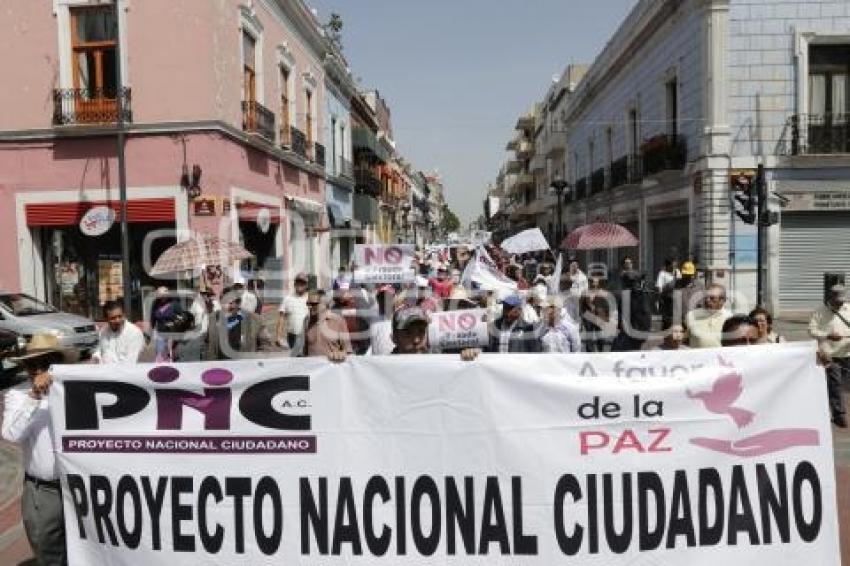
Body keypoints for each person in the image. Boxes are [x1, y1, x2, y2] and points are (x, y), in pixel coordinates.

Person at [2, 334, 67, 566]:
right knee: (49, 554)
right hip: (44, 491)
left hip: (78, 487)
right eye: (32, 363)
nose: (38, 369)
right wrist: (35, 396)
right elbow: (10, 435)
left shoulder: (71, 388)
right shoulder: (18, 395)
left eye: (46, 362)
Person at [809, 284, 850, 428]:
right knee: (835, 384)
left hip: (847, 352)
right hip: (830, 354)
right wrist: (827, 335)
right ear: (830, 298)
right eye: (837, 300)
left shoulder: (848, 309)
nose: (840, 303)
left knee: (844, 386)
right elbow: (811, 330)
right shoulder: (819, 312)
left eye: (842, 300)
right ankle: (839, 414)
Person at [205, 287, 271, 360]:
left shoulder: (255, 320)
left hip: (244, 368)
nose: (227, 307)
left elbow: (265, 346)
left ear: (238, 303)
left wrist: (256, 362)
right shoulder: (212, 319)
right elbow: (206, 343)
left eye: (231, 303)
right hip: (219, 368)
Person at [302, 289, 352, 361]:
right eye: (308, 304)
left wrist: (341, 354)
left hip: (331, 369)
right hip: (312, 369)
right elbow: (305, 351)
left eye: (314, 304)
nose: (309, 307)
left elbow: (348, 351)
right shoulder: (306, 321)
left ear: (325, 304)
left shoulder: (338, 321)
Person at [686, 284, 731, 348]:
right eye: (706, 297)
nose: (707, 300)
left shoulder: (729, 317)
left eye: (712, 298)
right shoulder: (691, 316)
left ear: (723, 300)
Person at [276, 273, 309, 353]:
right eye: (298, 282)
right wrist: (278, 336)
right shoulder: (288, 299)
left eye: (302, 283)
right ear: (294, 284)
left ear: (306, 285)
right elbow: (281, 319)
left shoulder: (311, 299)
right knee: (295, 361)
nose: (300, 285)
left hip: (308, 336)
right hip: (292, 336)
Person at [656, 259, 680, 329]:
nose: (674, 267)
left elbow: (680, 283)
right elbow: (659, 287)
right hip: (666, 298)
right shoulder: (662, 273)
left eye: (675, 265)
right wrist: (659, 298)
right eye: (672, 266)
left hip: (676, 298)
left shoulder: (677, 272)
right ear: (667, 266)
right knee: (667, 319)